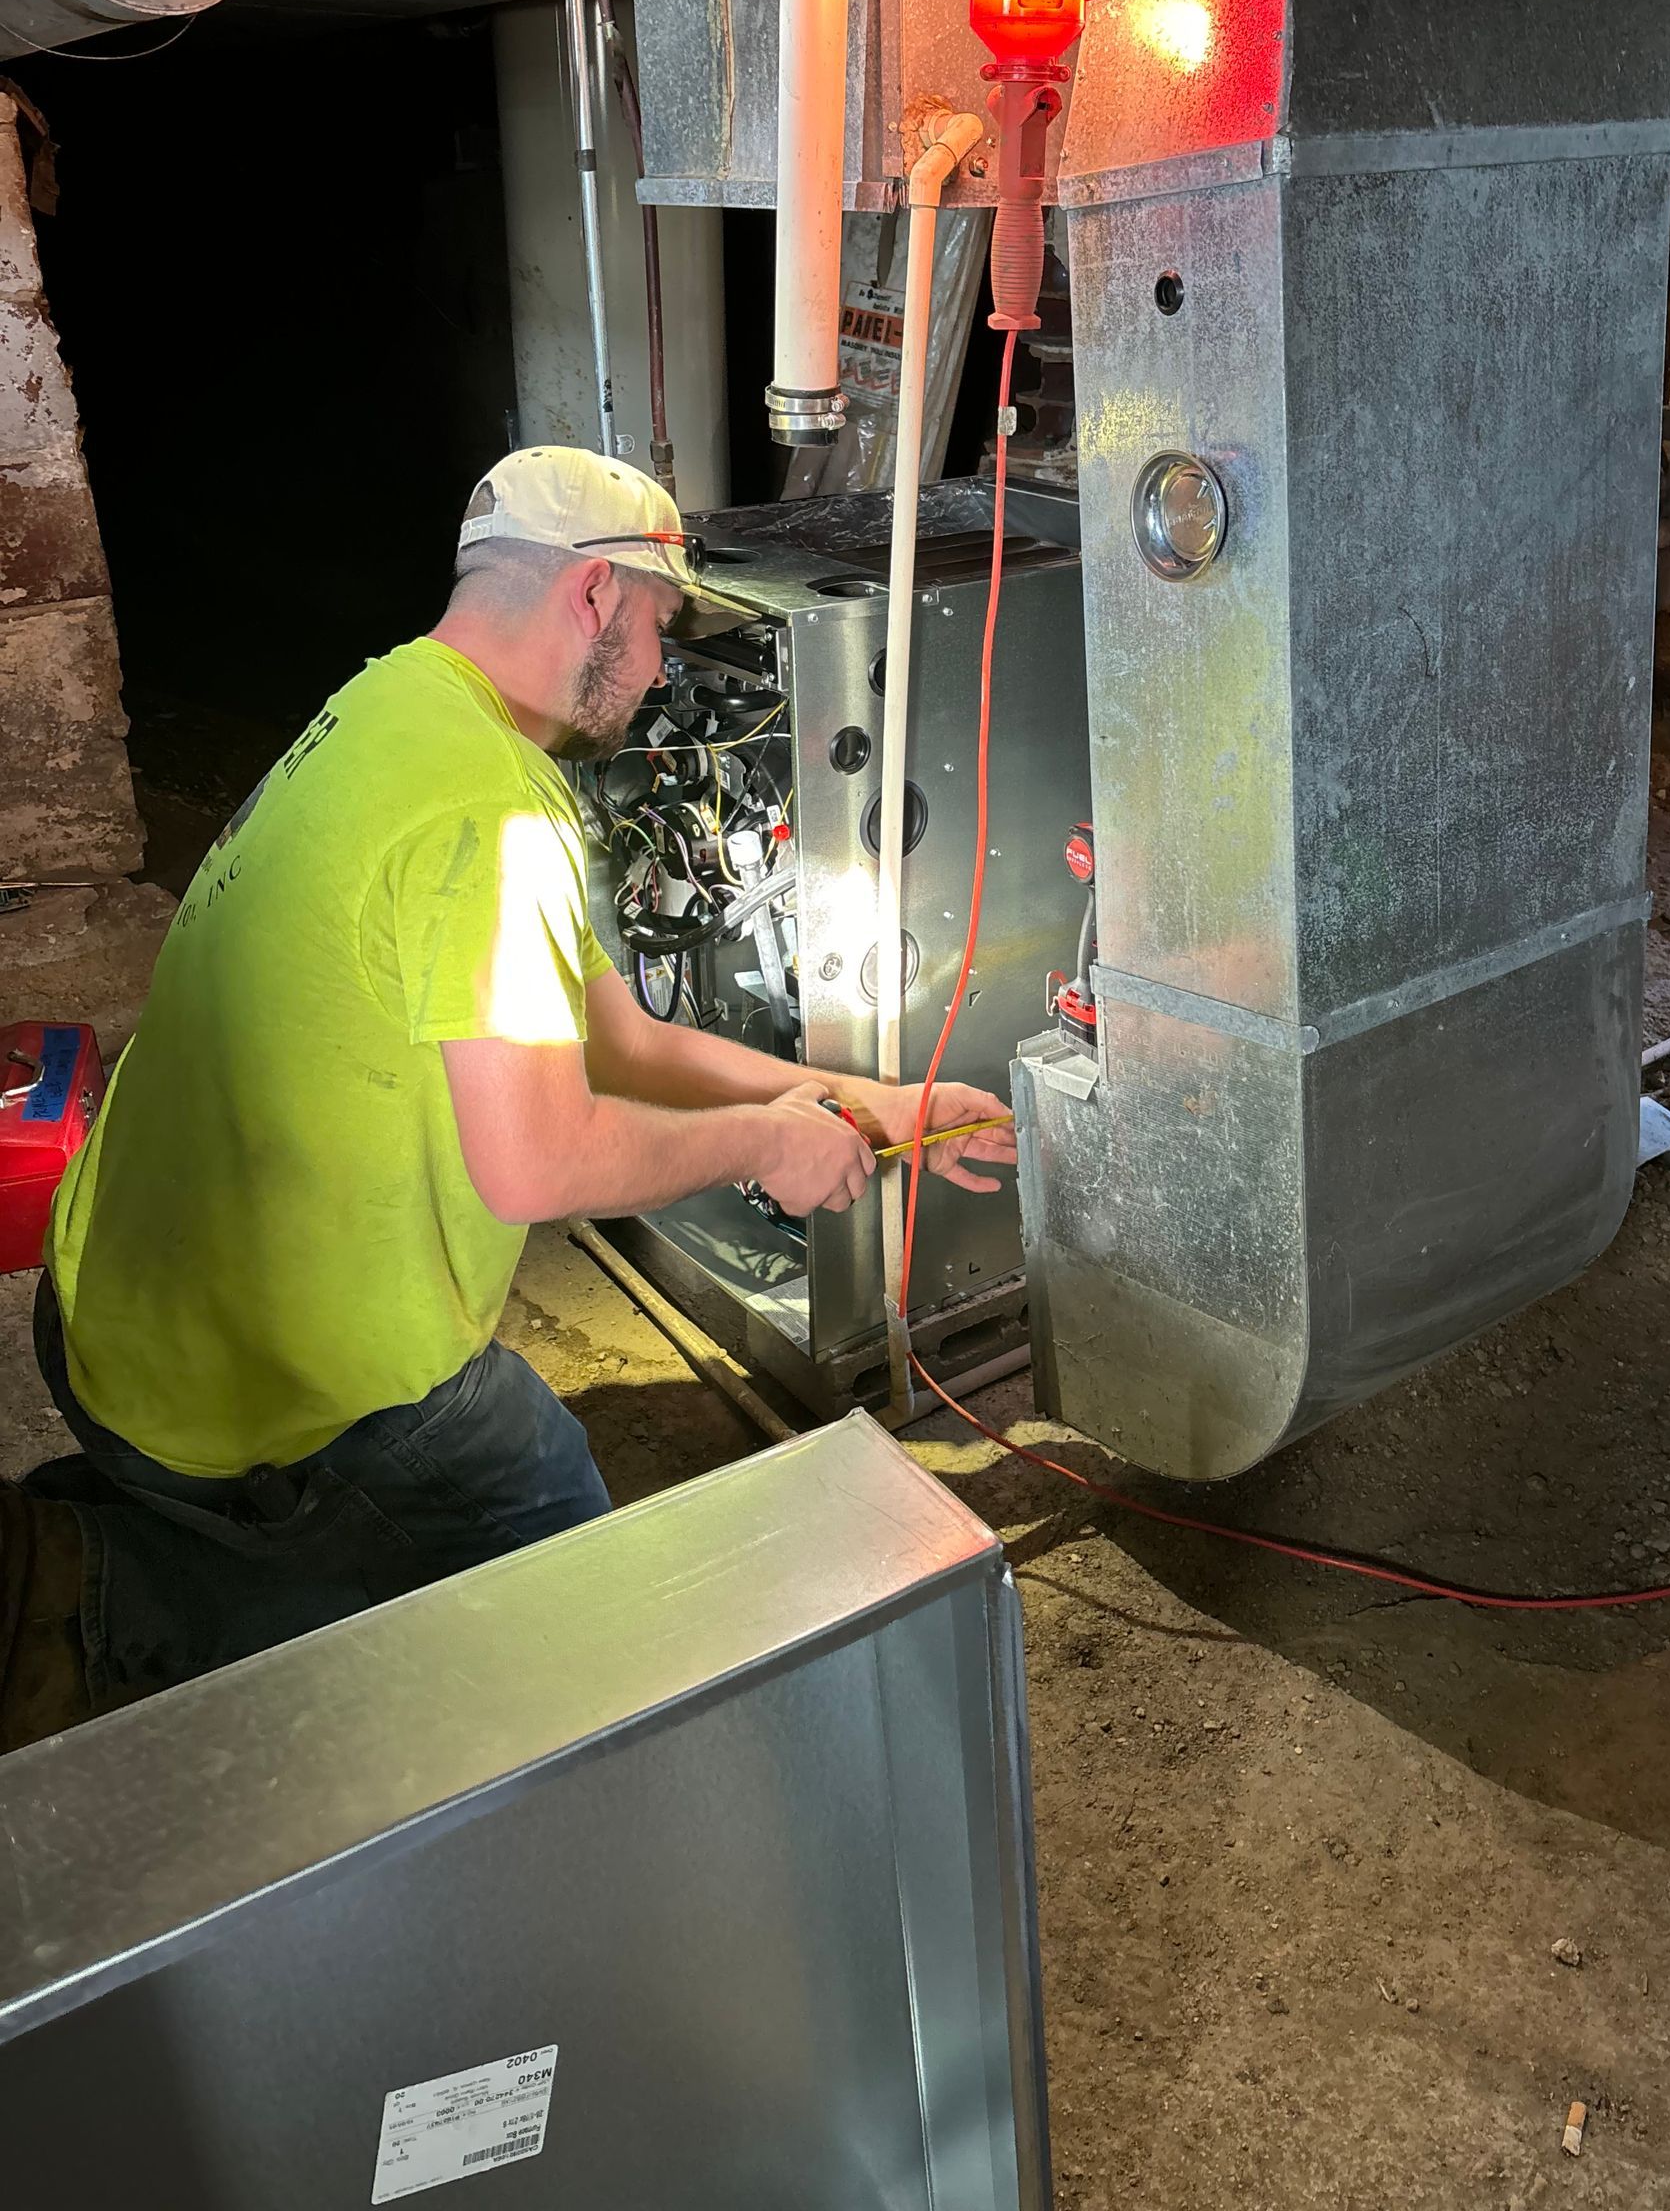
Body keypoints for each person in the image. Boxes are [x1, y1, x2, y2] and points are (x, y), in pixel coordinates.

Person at [31, 446, 1016, 1709]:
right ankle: (118, 1598)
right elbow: (537, 1160)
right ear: (595, 596)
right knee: (563, 1578)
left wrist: (854, 1104)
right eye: (661, 624)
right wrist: (767, 1148)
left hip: (105, 1300)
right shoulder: (494, 816)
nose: (664, 669)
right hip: (235, 1389)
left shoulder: (395, 707)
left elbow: (619, 1042)